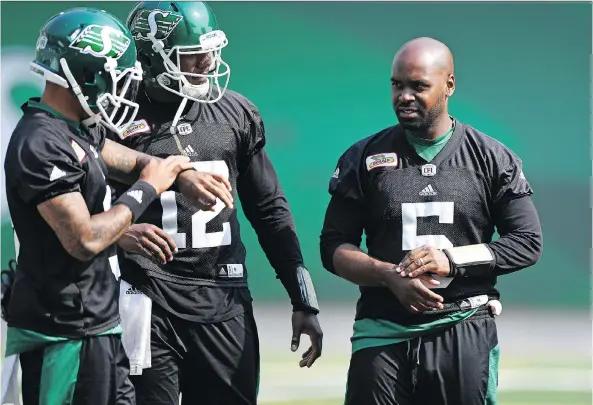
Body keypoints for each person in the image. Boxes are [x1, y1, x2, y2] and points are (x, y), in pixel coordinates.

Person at [3, 7, 234, 405]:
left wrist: (179, 175)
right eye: (116, 79)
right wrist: (148, 189)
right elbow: (84, 239)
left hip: (99, 324)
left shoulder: (76, 130)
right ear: (86, 74)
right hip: (63, 333)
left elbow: (130, 160)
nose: (121, 91)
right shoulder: (41, 142)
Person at [109, 2, 323, 405]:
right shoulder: (118, 115)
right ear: (152, 56)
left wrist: (303, 299)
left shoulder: (235, 113)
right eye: (192, 54)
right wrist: (120, 231)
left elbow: (270, 211)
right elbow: (84, 206)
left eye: (211, 50)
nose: (208, 63)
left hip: (225, 299)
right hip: (146, 299)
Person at [319, 37, 543, 405]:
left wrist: (452, 260)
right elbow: (333, 246)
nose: (404, 95)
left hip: (462, 324)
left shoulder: (491, 158)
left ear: (449, 85)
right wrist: (387, 275)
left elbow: (527, 242)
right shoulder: (365, 157)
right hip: (382, 331)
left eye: (419, 86)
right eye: (397, 85)